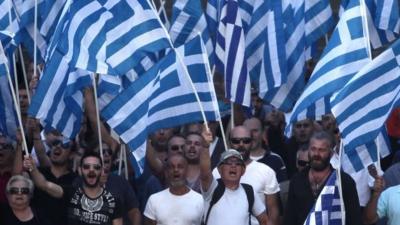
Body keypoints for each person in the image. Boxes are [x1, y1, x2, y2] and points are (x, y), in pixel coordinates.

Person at [284, 131, 362, 225]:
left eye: (322, 150)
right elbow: (289, 218)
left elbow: (354, 220)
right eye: (313, 149)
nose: (316, 154)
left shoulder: (344, 182)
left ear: (331, 153)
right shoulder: (297, 180)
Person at [24, 151, 123, 225]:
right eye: (86, 167)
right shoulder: (71, 193)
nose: (91, 170)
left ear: (101, 171)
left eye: (96, 167)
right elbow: (43, 185)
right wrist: (32, 167)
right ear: (80, 170)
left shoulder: (113, 200)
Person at [213, 126, 280, 225]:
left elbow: (273, 211)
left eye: (246, 141)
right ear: (229, 142)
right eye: (236, 141)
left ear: (252, 143)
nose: (241, 144)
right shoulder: (217, 171)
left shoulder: (266, 171)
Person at [200, 133, 268, 225]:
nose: (233, 166)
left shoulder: (249, 192)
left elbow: (264, 221)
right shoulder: (212, 188)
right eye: (228, 162)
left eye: (237, 163)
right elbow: (205, 174)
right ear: (220, 169)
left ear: (243, 170)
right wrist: (205, 147)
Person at [144, 154, 204, 225]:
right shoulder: (154, 200)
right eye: (172, 167)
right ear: (166, 173)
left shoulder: (199, 200)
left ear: (187, 171)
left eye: (180, 167)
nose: (176, 170)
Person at [244, 117, 288, 183]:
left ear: (263, 133)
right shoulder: (235, 160)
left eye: (255, 131)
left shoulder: (275, 159)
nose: (251, 135)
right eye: (247, 131)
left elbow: (283, 190)